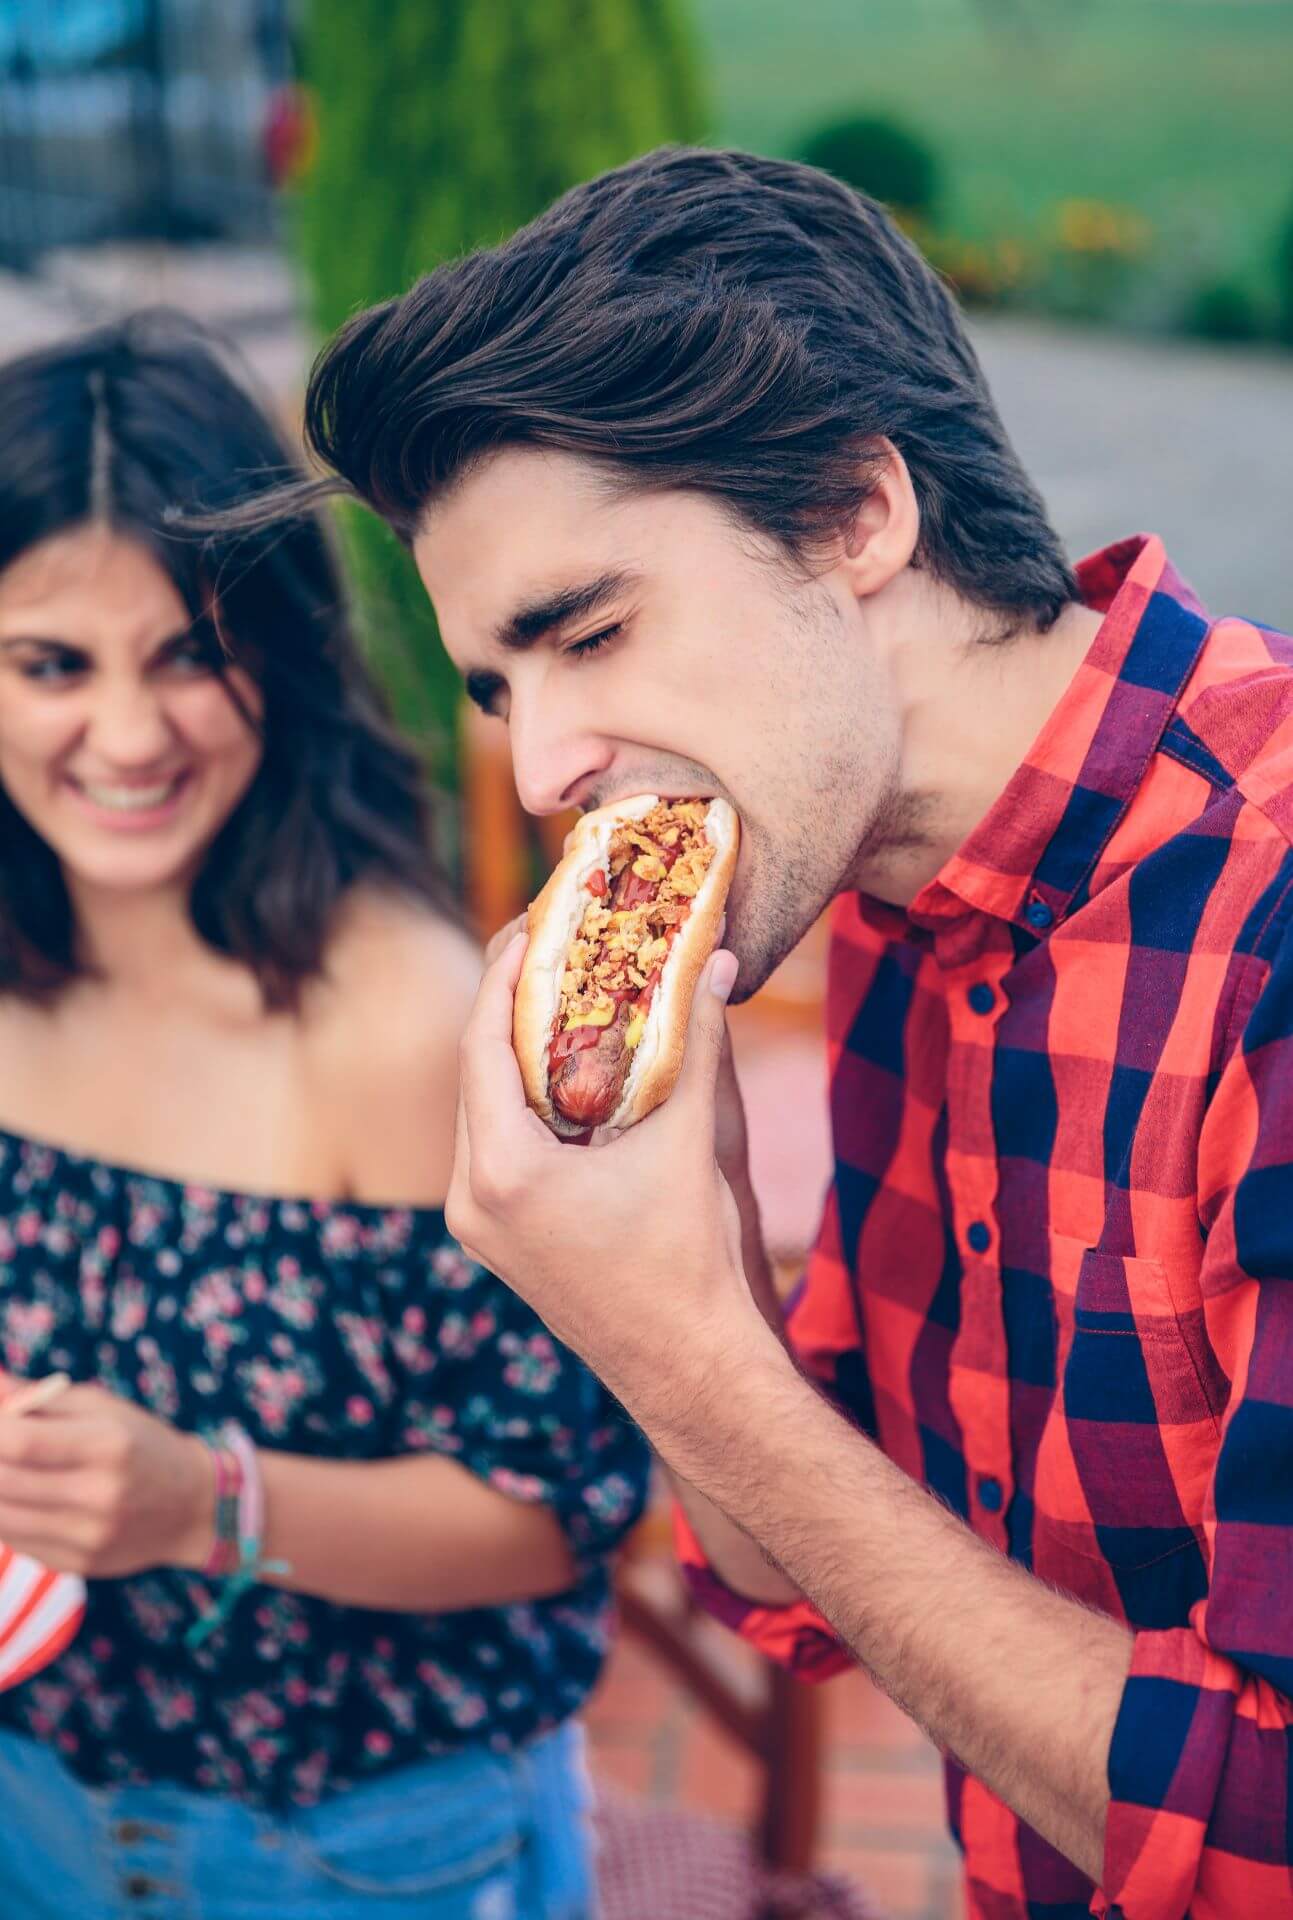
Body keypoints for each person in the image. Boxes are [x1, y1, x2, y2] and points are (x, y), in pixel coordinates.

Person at [293, 146, 1293, 1920]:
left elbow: (1261, 1835)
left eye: (588, 630)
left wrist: (683, 1356)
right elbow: (812, 1565)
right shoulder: (882, 873)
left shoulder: (1263, 928)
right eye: (503, 689)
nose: (536, 775)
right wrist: (691, 1272)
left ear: (853, 514)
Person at [0, 313, 648, 1920]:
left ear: (275, 654)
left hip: (352, 1853)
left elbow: (558, 1516)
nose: (130, 737)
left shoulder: (402, 1016)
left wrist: (202, 1501)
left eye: (187, 655)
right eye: (51, 665)